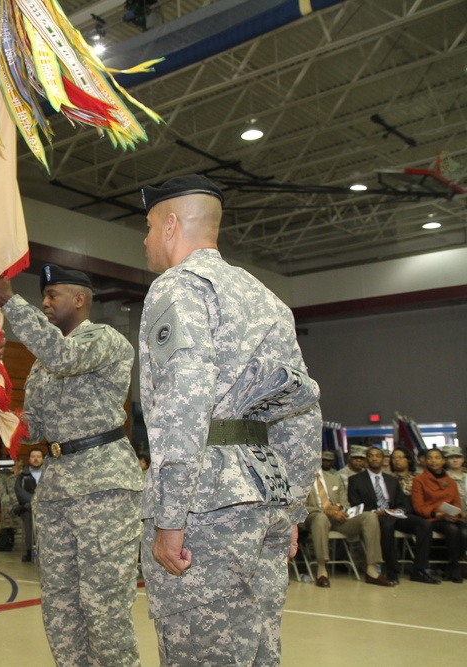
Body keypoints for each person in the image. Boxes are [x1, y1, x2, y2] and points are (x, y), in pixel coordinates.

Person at [136, 174, 323, 666]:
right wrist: (292, 506)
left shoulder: (177, 287)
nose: (146, 239)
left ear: (171, 224)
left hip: (205, 503)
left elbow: (184, 401)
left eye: (149, 226)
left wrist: (170, 515)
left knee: (200, 651)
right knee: (257, 647)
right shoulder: (269, 301)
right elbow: (302, 409)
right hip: (264, 493)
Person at [0, 263, 143, 667]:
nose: (46, 302)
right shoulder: (42, 364)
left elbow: (62, 356)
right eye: (44, 296)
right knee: (60, 608)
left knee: (104, 610)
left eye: (53, 295)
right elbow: (35, 424)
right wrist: (3, 412)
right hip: (55, 490)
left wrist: (12, 303)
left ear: (80, 300)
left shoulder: (105, 340)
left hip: (103, 486)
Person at [347, 445, 438, 584]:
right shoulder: (356, 480)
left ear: (384, 459)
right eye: (371, 456)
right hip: (374, 516)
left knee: (424, 524)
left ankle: (419, 569)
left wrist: (397, 511)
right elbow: (355, 504)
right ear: (366, 460)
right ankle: (392, 570)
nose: (374, 458)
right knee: (387, 525)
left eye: (378, 456)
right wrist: (375, 512)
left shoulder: (391, 480)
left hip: (394, 514)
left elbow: (402, 503)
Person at [303, 464, 392, 588]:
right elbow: (298, 506)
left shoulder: (333, 478)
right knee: (321, 518)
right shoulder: (297, 479)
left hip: (338, 518)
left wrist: (338, 507)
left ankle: (372, 570)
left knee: (370, 517)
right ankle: (322, 570)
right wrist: (324, 510)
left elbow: (345, 503)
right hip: (313, 517)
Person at [411, 448, 467, 583]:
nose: (433, 461)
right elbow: (418, 506)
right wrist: (439, 514)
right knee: (451, 529)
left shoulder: (451, 481)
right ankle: (454, 568)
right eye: (430, 458)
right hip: (432, 517)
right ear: (425, 461)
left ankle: (453, 565)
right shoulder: (419, 480)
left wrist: (457, 514)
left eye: (437, 458)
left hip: (450, 517)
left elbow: (457, 504)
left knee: (464, 531)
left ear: (443, 461)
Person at [15, 447, 45, 562]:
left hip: (45, 507)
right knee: (28, 518)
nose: (36, 459)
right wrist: (33, 501)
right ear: (29, 459)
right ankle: (29, 551)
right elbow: (19, 491)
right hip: (28, 507)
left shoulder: (48, 474)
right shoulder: (23, 476)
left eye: (38, 457)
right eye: (33, 457)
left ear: (42, 459)